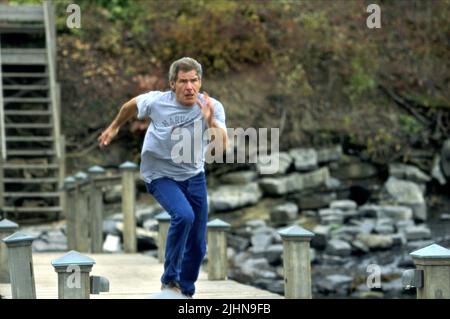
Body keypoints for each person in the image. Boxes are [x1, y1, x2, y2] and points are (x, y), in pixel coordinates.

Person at [98, 57, 228, 298]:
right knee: (183, 215)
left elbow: (222, 146)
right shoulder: (157, 101)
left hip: (194, 175)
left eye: (194, 81)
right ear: (172, 84)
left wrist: (209, 119)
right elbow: (130, 106)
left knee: (199, 247)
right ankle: (169, 281)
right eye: (183, 81)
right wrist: (115, 126)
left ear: (200, 82)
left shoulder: (212, 106)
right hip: (159, 174)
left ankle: (185, 293)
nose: (189, 87)